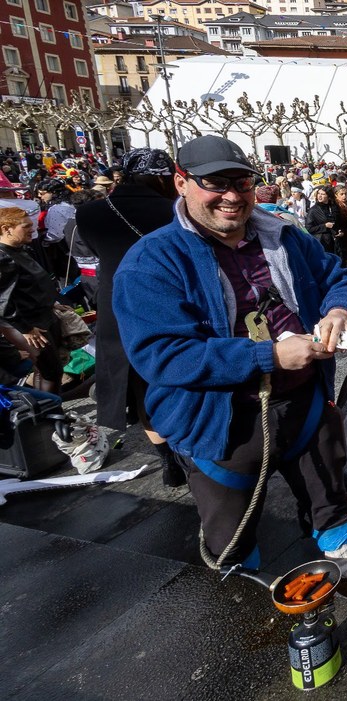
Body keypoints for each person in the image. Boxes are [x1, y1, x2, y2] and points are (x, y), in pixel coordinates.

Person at [112, 135, 347, 607]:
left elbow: (337, 276)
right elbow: (161, 356)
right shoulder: (151, 261)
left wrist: (339, 311)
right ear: (182, 183)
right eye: (215, 183)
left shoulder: (283, 234)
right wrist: (267, 357)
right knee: (232, 531)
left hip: (304, 405)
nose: (231, 195)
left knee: (330, 498)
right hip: (222, 422)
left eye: (241, 182)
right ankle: (246, 605)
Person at [75, 148, 185, 487]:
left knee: (139, 387)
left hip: (115, 305)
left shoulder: (90, 213)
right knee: (179, 374)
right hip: (168, 299)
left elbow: (93, 252)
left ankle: (167, 461)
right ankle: (186, 451)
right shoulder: (175, 210)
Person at [0, 207, 62, 394]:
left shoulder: (19, 249)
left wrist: (53, 302)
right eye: (25, 226)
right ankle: (51, 417)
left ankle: (50, 415)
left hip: (40, 317)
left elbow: (31, 286)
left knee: (46, 370)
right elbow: (2, 301)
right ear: (6, 229)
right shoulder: (3, 257)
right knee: (51, 371)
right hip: (25, 324)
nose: (32, 229)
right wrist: (25, 329)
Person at [305, 185, 339, 254]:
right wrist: (325, 226)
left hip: (335, 242)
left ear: (328, 196)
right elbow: (309, 228)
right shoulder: (314, 210)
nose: (319, 196)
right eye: (319, 193)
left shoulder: (334, 207)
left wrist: (340, 231)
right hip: (323, 243)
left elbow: (338, 221)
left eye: (323, 194)